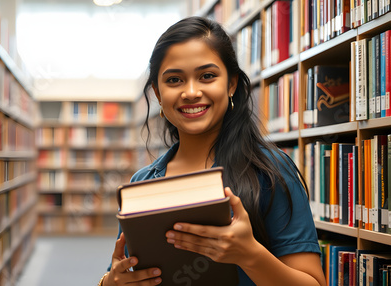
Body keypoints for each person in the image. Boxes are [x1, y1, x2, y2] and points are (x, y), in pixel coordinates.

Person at [97, 16, 326, 286]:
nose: (191, 92)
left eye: (207, 76)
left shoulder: (270, 171)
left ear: (230, 84)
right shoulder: (144, 183)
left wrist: (249, 255)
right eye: (174, 80)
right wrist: (110, 282)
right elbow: (125, 270)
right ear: (158, 94)